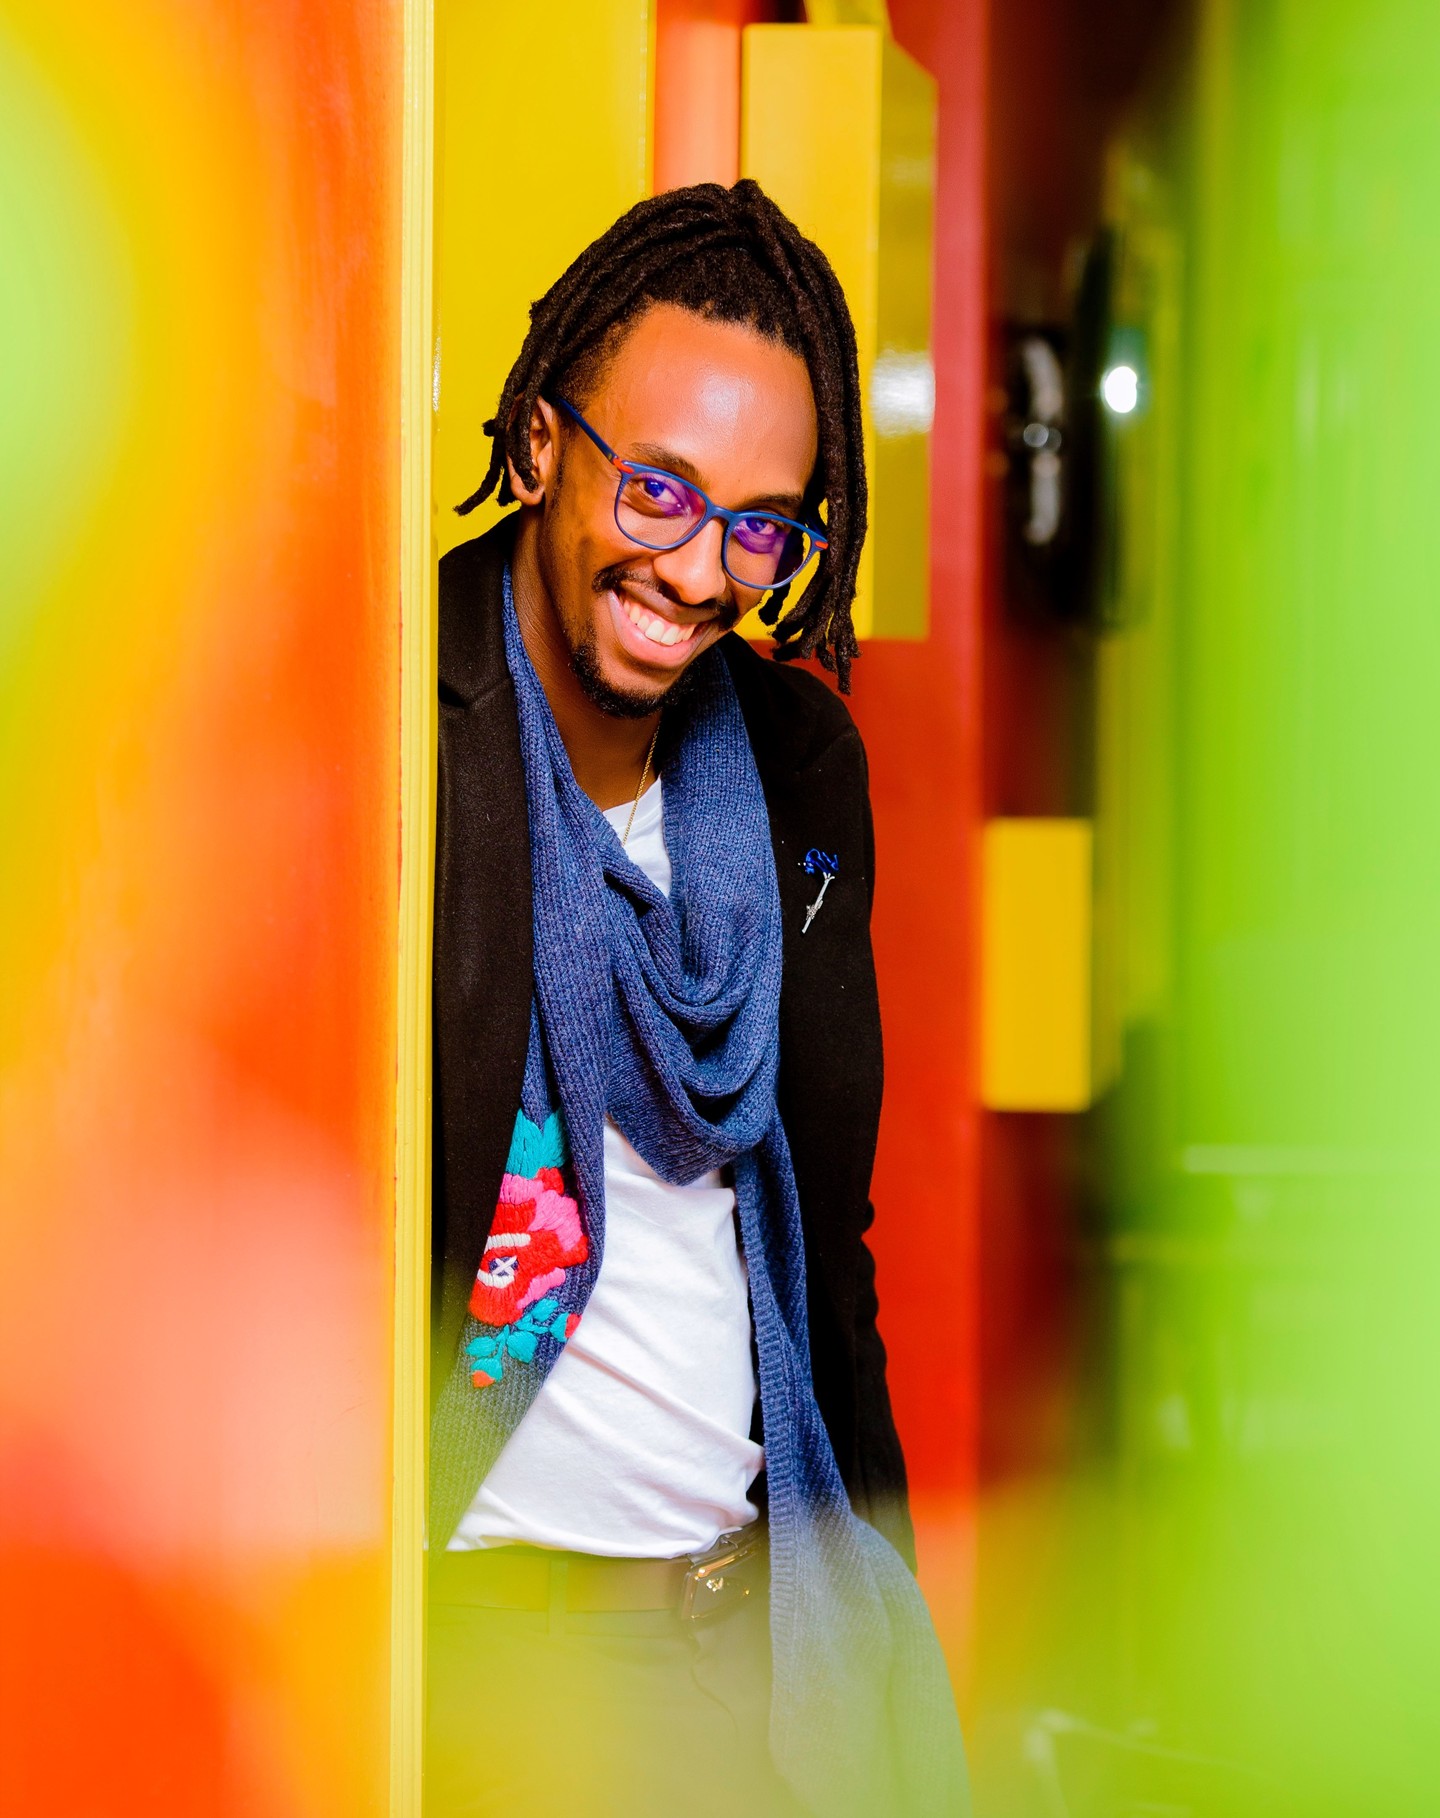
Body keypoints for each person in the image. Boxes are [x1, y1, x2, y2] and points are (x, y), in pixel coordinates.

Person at [426, 180, 965, 1818]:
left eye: (758, 524)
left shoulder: (796, 765)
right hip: (489, 1652)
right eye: (657, 488)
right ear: (541, 443)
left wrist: (884, 1623)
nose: (696, 568)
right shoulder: (403, 712)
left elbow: (823, 1244)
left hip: (754, 1646)